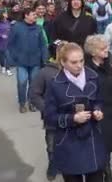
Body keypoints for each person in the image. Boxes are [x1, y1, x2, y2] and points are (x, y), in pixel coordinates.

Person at [44, 43, 108, 182]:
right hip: (69, 141)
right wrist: (72, 118)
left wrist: (98, 110)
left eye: (81, 60)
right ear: (62, 62)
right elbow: (49, 117)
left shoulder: (93, 76)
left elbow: (99, 100)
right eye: (74, 62)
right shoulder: (55, 84)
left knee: (96, 177)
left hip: (92, 138)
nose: (79, 65)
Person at [84, 35, 112, 182]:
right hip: (95, 110)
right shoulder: (86, 67)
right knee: (97, 143)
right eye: (103, 48)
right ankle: (104, 171)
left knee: (108, 142)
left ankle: (105, 167)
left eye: (107, 46)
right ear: (93, 52)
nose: (107, 50)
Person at [30, 42, 66, 181]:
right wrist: (47, 109)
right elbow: (34, 95)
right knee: (51, 144)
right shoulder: (45, 73)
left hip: (70, 116)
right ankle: (53, 165)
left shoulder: (75, 70)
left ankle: (67, 164)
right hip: (52, 118)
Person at [7, 8, 49, 113]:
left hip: (35, 61)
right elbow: (10, 44)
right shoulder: (16, 27)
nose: (36, 16)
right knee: (22, 82)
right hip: (21, 61)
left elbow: (43, 45)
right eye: (33, 14)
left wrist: (44, 58)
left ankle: (32, 102)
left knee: (33, 84)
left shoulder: (38, 28)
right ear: (26, 15)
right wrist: (14, 57)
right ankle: (22, 103)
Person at [0, 10, 13, 76]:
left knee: (8, 56)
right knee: (1, 56)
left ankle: (8, 70)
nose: (7, 14)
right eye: (5, 13)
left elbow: (9, 29)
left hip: (7, 42)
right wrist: (1, 35)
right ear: (2, 14)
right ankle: (3, 66)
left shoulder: (7, 22)